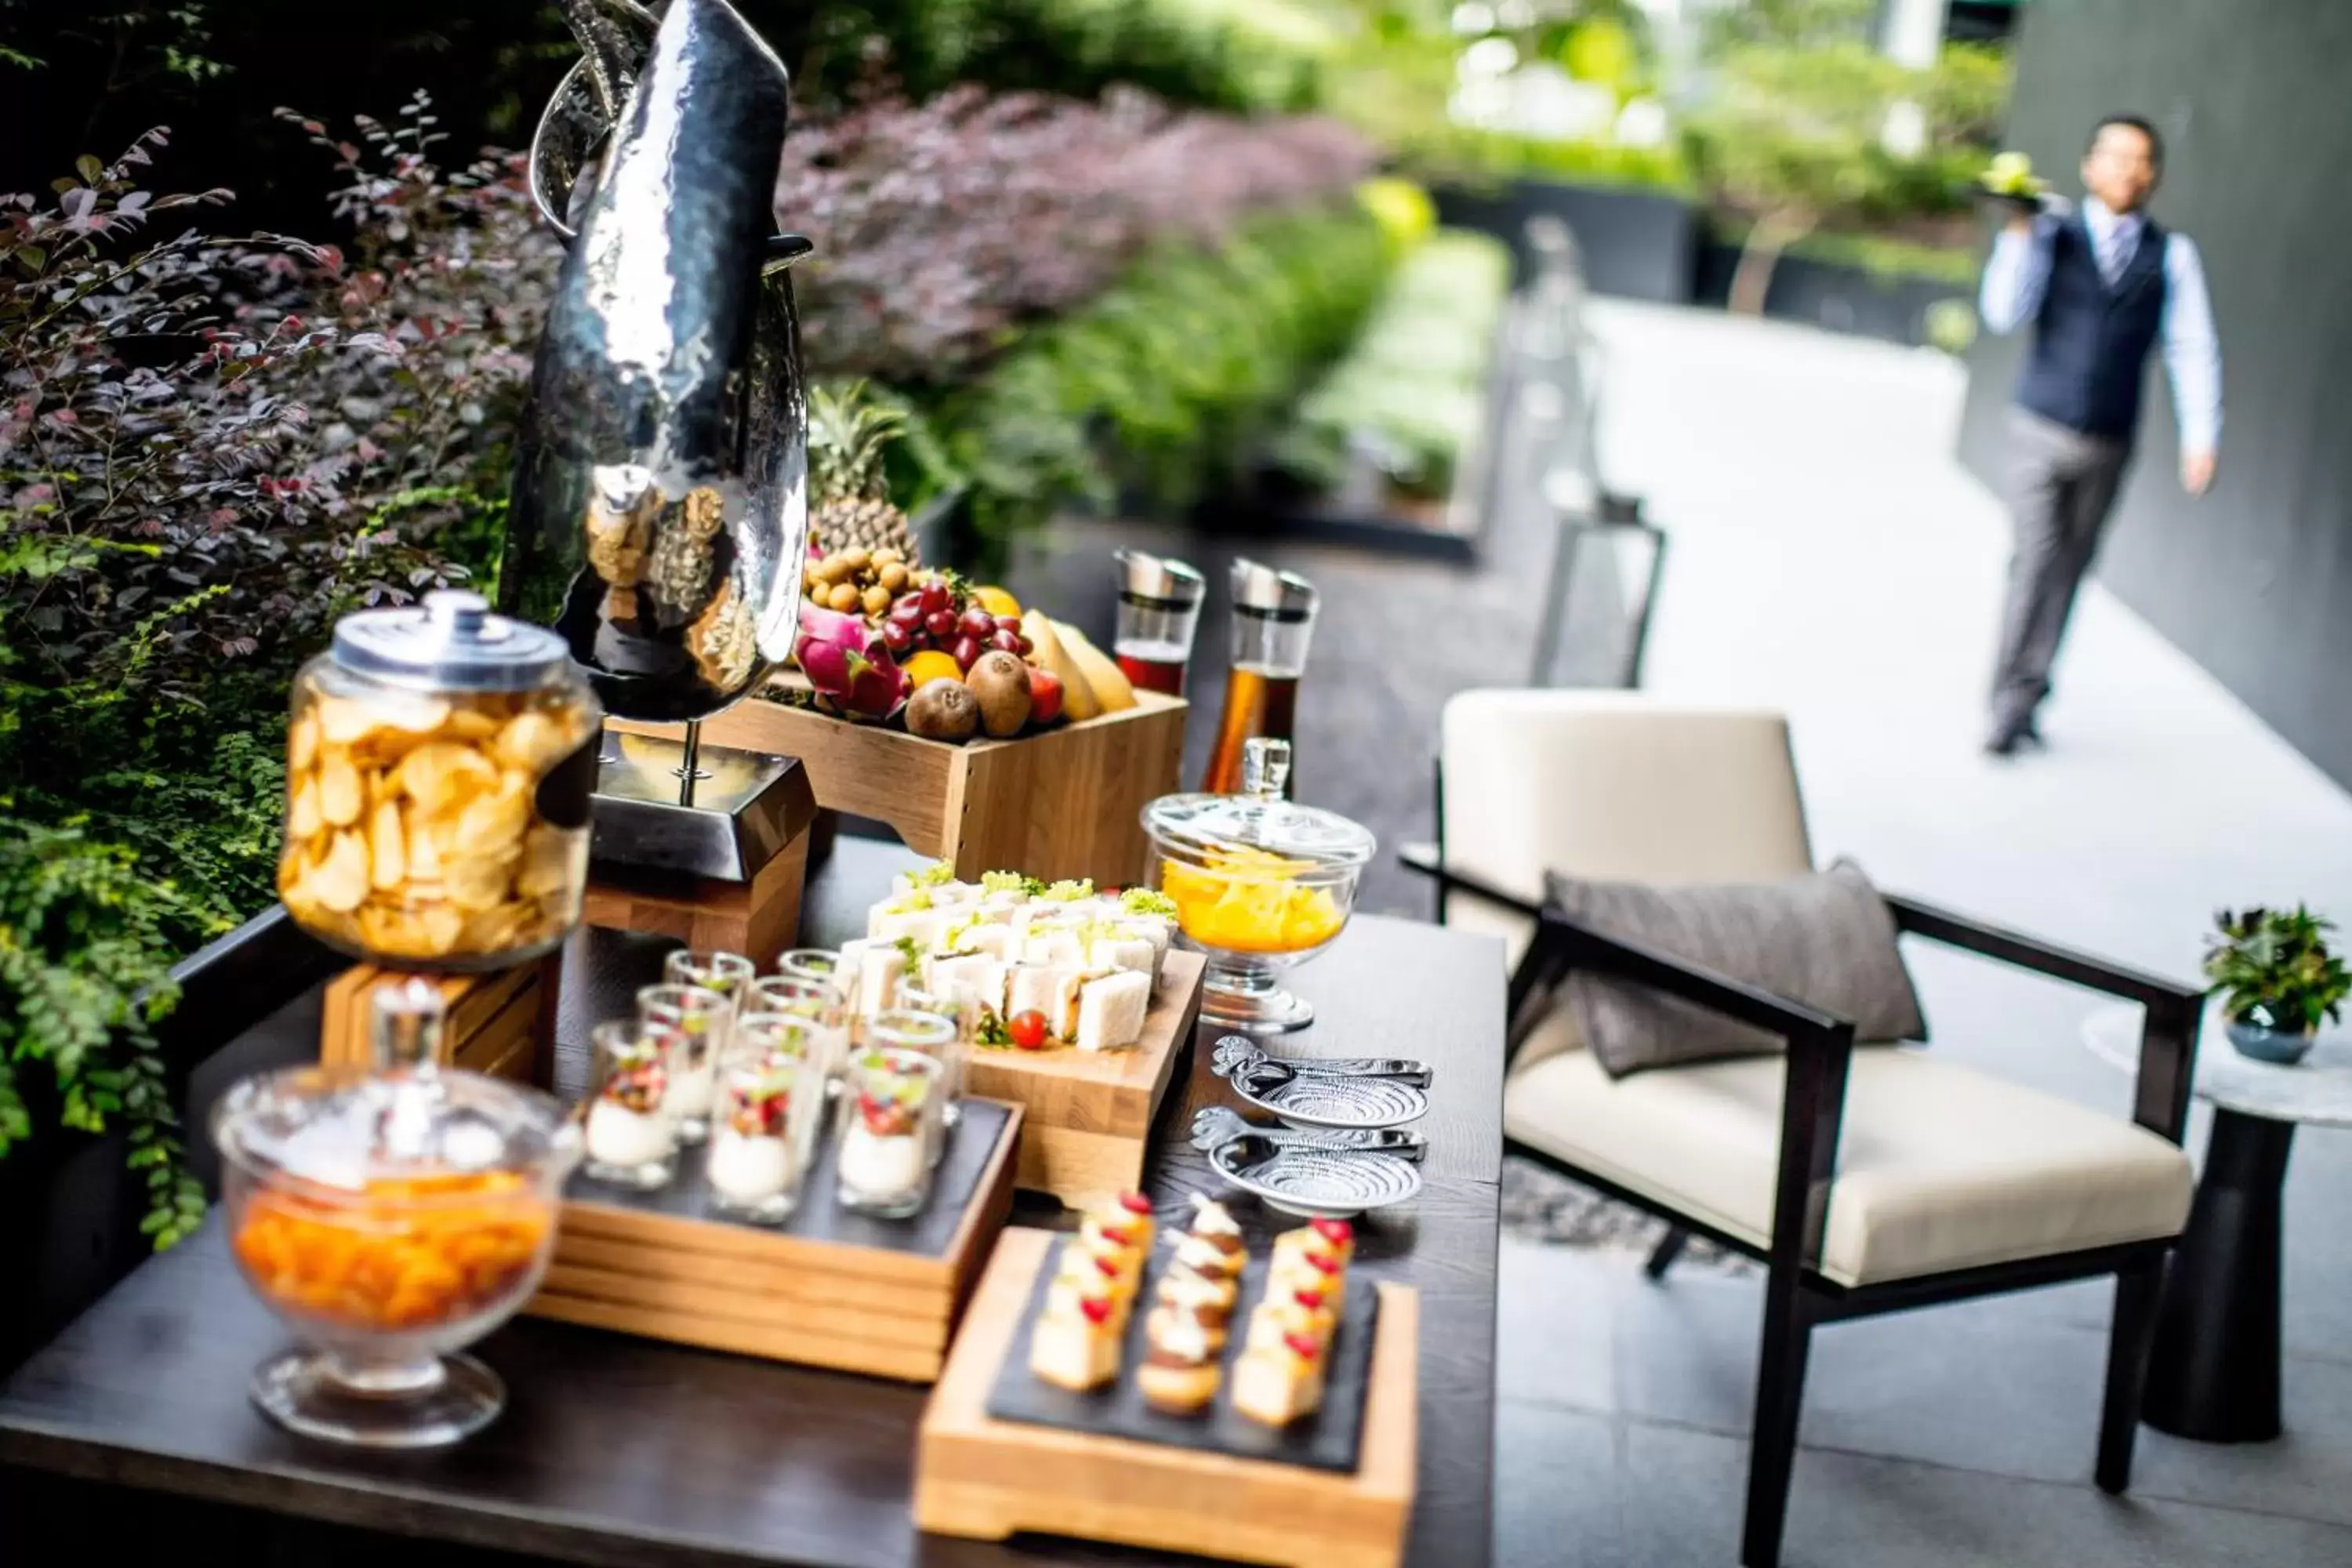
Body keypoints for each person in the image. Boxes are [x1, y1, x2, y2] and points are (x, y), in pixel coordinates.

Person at [1976, 113, 2222, 757]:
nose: (2126, 171)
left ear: (2154, 176)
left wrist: (2202, 435)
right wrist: (2018, 233)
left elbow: (2192, 347)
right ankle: (2004, 704)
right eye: (2114, 157)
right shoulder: (2049, 233)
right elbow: (2004, 312)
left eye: (2140, 161)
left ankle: (2029, 695)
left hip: (2109, 441)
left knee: (2069, 571)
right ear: (2090, 166)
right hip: (2038, 429)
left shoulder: (2172, 255)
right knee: (2034, 562)